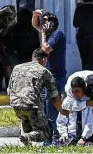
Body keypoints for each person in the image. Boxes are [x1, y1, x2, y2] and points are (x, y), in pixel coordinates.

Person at [8, 48, 69, 146]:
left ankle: (27, 142)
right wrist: (62, 111)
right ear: (44, 60)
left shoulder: (17, 68)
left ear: (33, 58)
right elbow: (54, 96)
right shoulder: (44, 71)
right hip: (32, 105)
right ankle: (28, 137)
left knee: (27, 125)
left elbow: (9, 89)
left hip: (15, 103)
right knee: (44, 133)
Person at [32, 10, 67, 146]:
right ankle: (48, 138)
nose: (43, 24)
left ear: (52, 23)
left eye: (45, 21)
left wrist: (43, 34)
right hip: (46, 77)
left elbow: (44, 49)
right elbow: (36, 25)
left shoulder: (57, 35)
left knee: (53, 110)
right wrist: (35, 16)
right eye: (43, 21)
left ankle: (55, 139)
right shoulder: (47, 33)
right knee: (45, 110)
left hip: (55, 77)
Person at [64, 70, 93, 145]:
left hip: (91, 98)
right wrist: (86, 103)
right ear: (85, 86)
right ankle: (75, 137)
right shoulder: (71, 85)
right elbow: (70, 105)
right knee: (75, 116)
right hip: (74, 101)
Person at [57, 77, 93, 146]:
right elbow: (61, 120)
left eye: (77, 91)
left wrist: (84, 138)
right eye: (72, 91)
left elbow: (91, 122)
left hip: (88, 136)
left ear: (84, 90)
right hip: (71, 136)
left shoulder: (91, 101)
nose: (74, 94)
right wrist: (63, 134)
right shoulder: (68, 101)